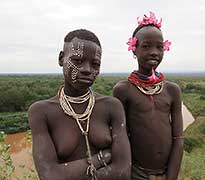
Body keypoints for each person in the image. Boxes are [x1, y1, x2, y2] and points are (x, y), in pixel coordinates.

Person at [28, 29, 131, 180]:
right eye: (77, 61)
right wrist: (100, 159)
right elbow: (49, 175)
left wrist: (68, 173)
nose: (87, 70)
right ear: (61, 58)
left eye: (95, 64)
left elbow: (123, 172)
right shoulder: (41, 112)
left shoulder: (111, 107)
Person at [113, 12, 184, 180]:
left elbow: (178, 138)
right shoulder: (124, 90)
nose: (154, 52)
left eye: (159, 47)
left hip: (168, 173)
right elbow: (120, 138)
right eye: (146, 46)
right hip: (135, 174)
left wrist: (171, 177)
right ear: (134, 49)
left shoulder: (172, 90)